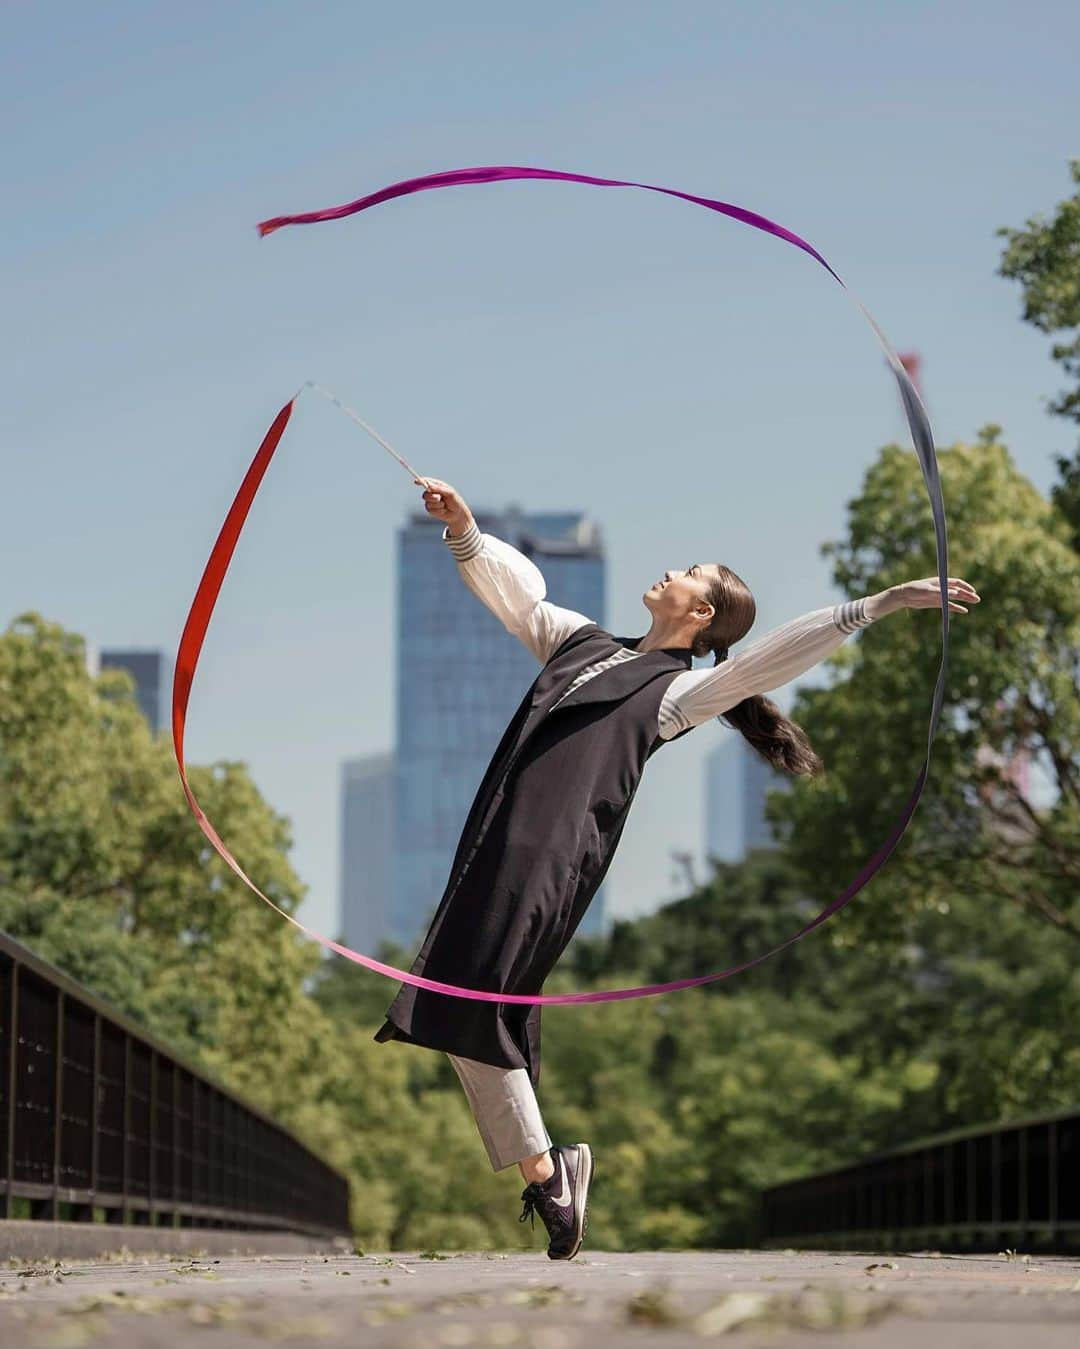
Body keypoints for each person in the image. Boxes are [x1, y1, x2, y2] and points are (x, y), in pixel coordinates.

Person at [373, 476, 980, 1260]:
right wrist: (464, 531)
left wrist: (875, 605)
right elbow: (520, 597)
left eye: (691, 572)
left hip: (546, 864)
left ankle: (547, 1174)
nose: (673, 569)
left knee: (470, 999)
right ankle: (552, 1171)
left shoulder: (676, 694)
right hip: (489, 846)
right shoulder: (581, 641)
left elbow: (762, 663)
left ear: (701, 615)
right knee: (456, 998)